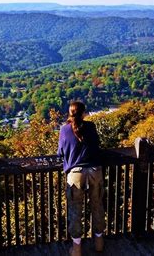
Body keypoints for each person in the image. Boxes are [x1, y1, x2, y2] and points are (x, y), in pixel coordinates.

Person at [57, 101, 105, 256]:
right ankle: (99, 244)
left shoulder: (64, 130)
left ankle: (76, 249)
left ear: (70, 113)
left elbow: (60, 152)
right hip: (94, 170)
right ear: (83, 113)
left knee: (75, 210)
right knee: (97, 205)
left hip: (75, 173)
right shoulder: (91, 126)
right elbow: (97, 145)